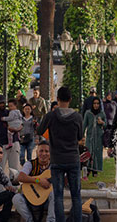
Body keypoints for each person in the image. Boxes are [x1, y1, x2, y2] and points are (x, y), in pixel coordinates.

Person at [36, 86, 84, 222]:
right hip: (73, 158)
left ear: (57, 99)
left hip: (57, 159)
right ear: (70, 99)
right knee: (76, 195)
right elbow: (80, 136)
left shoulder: (51, 116)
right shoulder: (77, 117)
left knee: (58, 196)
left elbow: (39, 131)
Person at [13, 140, 56, 222]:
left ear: (50, 153)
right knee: (16, 199)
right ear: (36, 152)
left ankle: (50, 220)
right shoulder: (30, 164)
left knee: (55, 194)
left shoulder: (54, 166)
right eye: (41, 151)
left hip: (46, 201)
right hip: (29, 200)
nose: (43, 154)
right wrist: (38, 180)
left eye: (46, 151)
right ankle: (30, 220)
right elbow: (20, 177)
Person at [82, 96, 105, 177]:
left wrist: (102, 122)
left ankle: (95, 170)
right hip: (90, 136)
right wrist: (81, 136)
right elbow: (84, 125)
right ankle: (88, 169)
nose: (96, 105)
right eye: (94, 103)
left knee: (97, 152)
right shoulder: (88, 113)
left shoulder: (102, 113)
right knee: (89, 152)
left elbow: (106, 126)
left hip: (99, 137)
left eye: (98, 104)